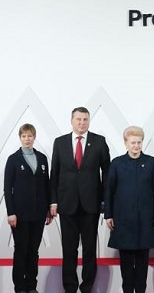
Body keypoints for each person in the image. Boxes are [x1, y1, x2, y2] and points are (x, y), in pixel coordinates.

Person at [50, 107, 110, 293]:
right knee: (69, 249)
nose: (82, 122)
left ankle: (87, 287)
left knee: (90, 249)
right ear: (71, 120)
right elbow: (55, 173)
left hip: (91, 204)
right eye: (78, 119)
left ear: (89, 121)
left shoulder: (99, 142)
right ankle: (70, 287)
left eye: (85, 119)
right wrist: (53, 201)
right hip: (67, 204)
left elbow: (107, 173)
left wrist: (105, 202)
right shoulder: (59, 142)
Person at [104, 126, 154, 293]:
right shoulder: (116, 163)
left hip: (146, 219)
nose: (136, 145)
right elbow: (109, 190)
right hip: (123, 219)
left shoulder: (151, 163)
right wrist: (108, 215)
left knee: (143, 261)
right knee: (126, 262)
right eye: (133, 142)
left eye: (139, 142)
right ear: (126, 143)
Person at [4, 123, 53, 293]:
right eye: (24, 136)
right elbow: (7, 189)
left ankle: (32, 286)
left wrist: (48, 209)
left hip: (38, 214)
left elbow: (47, 186)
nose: (27, 139)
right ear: (20, 138)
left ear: (34, 137)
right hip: (19, 215)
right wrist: (11, 212)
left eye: (30, 136)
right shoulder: (13, 159)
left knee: (33, 252)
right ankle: (20, 288)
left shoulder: (42, 159)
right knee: (21, 251)